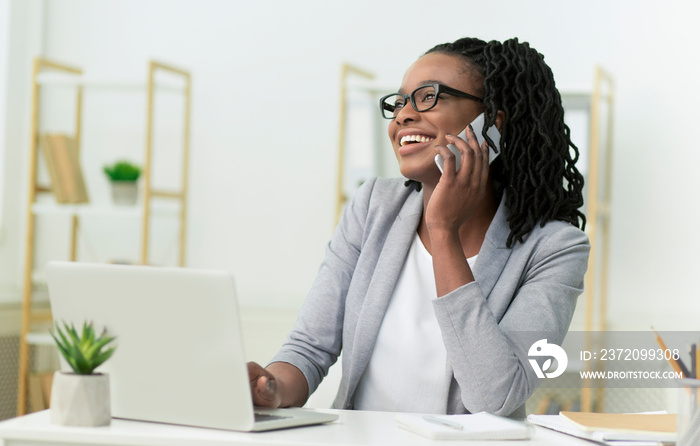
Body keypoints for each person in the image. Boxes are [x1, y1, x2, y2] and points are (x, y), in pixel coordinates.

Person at [247, 37, 590, 418]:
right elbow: (310, 348)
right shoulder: (373, 207)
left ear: (492, 123)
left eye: (429, 97)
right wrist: (271, 390)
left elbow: (496, 398)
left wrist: (443, 230)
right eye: (400, 102)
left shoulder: (556, 249)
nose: (403, 116)